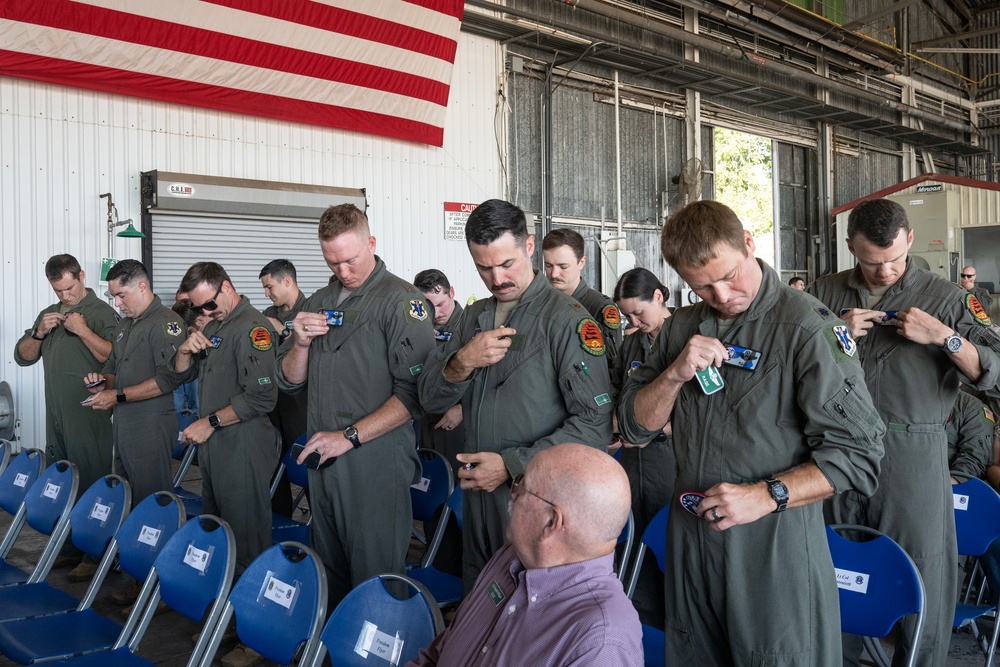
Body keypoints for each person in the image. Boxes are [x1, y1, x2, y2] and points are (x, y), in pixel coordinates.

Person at [618, 200, 885, 665]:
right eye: (702, 286)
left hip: (773, 545)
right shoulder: (681, 327)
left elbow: (859, 454)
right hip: (693, 541)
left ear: (749, 244)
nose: (721, 295)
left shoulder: (805, 326)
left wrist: (766, 495)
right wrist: (674, 375)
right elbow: (636, 427)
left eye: (730, 276)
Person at [807, 197, 1000, 667]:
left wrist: (946, 338)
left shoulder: (949, 299)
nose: (885, 271)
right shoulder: (822, 294)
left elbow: (995, 371)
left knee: (923, 570)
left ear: (910, 240)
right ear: (850, 245)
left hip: (913, 452)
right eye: (871, 262)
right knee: (834, 565)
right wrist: (831, 334)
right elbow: (789, 371)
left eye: (893, 259)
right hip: (837, 450)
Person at [419, 199, 614, 591]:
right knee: (480, 599)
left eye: (506, 264)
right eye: (484, 267)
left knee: (526, 614)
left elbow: (594, 426)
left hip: (537, 501)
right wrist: (461, 363)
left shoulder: (567, 321)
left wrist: (511, 464)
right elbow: (429, 399)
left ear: (528, 247)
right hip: (477, 498)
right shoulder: (473, 319)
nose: (496, 278)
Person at [275, 204, 435, 609]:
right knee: (330, 569)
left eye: (351, 259)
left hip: (373, 462)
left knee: (374, 579)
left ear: (372, 243)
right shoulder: (319, 299)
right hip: (324, 460)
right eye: (333, 261)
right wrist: (301, 343)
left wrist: (349, 437)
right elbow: (290, 380)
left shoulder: (401, 303)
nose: (343, 271)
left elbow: (415, 395)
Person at [407, 443, 643, 667]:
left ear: (551, 522)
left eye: (522, 487)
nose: (513, 494)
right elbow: (442, 652)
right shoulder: (513, 557)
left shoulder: (600, 644)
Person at [169, 262, 279, 572]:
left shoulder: (254, 329)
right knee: (215, 529)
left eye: (209, 303)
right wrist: (185, 352)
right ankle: (219, 602)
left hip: (241, 446)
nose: (205, 310)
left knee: (244, 536)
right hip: (215, 447)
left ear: (226, 288)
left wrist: (211, 422)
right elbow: (183, 375)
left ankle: (244, 612)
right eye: (198, 306)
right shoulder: (216, 326)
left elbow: (262, 397)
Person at [14, 254, 118, 576]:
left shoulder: (102, 314)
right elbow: (22, 357)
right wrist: (38, 334)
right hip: (56, 413)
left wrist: (83, 330)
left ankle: (96, 553)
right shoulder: (48, 314)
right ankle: (71, 545)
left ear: (82, 276)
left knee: (90, 478)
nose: (65, 296)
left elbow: (117, 359)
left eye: (70, 288)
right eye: (58, 291)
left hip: (89, 413)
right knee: (65, 477)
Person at [83, 260, 184, 506]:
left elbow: (168, 379)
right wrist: (102, 383)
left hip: (151, 424)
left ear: (141, 287)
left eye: (121, 295)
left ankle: (158, 544)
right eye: (113, 296)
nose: (116, 303)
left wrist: (116, 396)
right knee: (126, 494)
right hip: (124, 423)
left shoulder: (167, 324)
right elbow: (113, 365)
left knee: (151, 499)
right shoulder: (126, 325)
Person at [610, 267, 674, 630]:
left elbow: (707, 405)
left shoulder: (686, 336)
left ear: (659, 297)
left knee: (667, 541)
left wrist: (659, 427)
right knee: (634, 540)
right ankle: (637, 619)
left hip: (672, 458)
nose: (634, 321)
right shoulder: (633, 342)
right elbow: (620, 390)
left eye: (639, 312)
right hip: (632, 459)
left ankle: (671, 624)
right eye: (627, 316)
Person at [413, 268, 465, 577]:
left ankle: (460, 574)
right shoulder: (420, 325)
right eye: (428, 307)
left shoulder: (471, 325)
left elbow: (490, 380)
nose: (436, 313)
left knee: (459, 501)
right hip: (429, 424)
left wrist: (463, 408)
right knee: (432, 492)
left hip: (461, 430)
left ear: (451, 293)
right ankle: (437, 566)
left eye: (440, 304)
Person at [259, 259, 309, 518]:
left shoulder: (311, 310)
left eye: (270, 287)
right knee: (274, 467)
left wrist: (282, 331)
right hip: (273, 405)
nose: (267, 293)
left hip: (302, 407)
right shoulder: (268, 313)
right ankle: (279, 523)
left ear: (287, 281)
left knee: (309, 467)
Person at [542, 228, 623, 366]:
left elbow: (611, 364)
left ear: (581, 262)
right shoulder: (541, 304)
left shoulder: (600, 307)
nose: (554, 274)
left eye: (563, 266)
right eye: (548, 265)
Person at [946, 391, 994, 485]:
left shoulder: (971, 407)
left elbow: (975, 459)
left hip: (945, 483)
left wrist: (948, 483)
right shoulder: (912, 400)